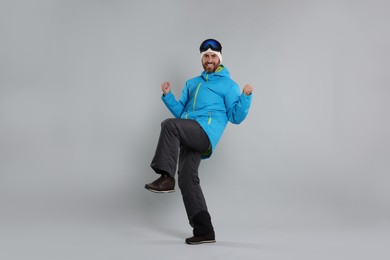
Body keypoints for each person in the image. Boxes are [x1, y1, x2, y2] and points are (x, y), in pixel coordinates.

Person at [145, 39, 253, 245]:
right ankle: (204, 231)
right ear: (202, 59)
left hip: (205, 133)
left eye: (213, 56)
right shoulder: (192, 83)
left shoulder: (228, 85)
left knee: (169, 125)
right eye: (206, 56)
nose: (209, 59)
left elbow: (236, 117)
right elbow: (181, 113)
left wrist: (246, 96)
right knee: (187, 178)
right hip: (188, 131)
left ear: (219, 59)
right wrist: (168, 96)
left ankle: (165, 177)